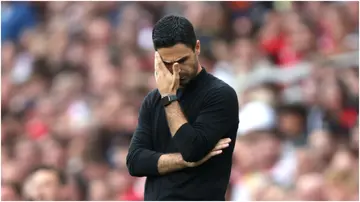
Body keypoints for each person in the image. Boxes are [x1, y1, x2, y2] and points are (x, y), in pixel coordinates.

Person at [126, 15, 239, 200]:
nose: (176, 69)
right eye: (168, 64)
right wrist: (184, 162)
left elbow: (192, 149)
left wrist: (170, 98)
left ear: (197, 47)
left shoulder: (220, 94)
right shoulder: (153, 100)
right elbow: (135, 162)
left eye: (183, 60)